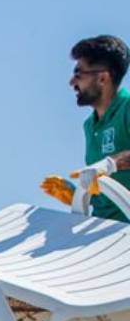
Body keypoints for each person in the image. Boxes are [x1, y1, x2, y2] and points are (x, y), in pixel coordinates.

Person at [42, 36, 130, 222]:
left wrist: (110, 164)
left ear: (102, 78)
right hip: (102, 234)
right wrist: (77, 196)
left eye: (78, 73)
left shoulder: (127, 109)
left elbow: (107, 168)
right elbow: (105, 192)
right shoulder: (89, 126)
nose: (72, 82)